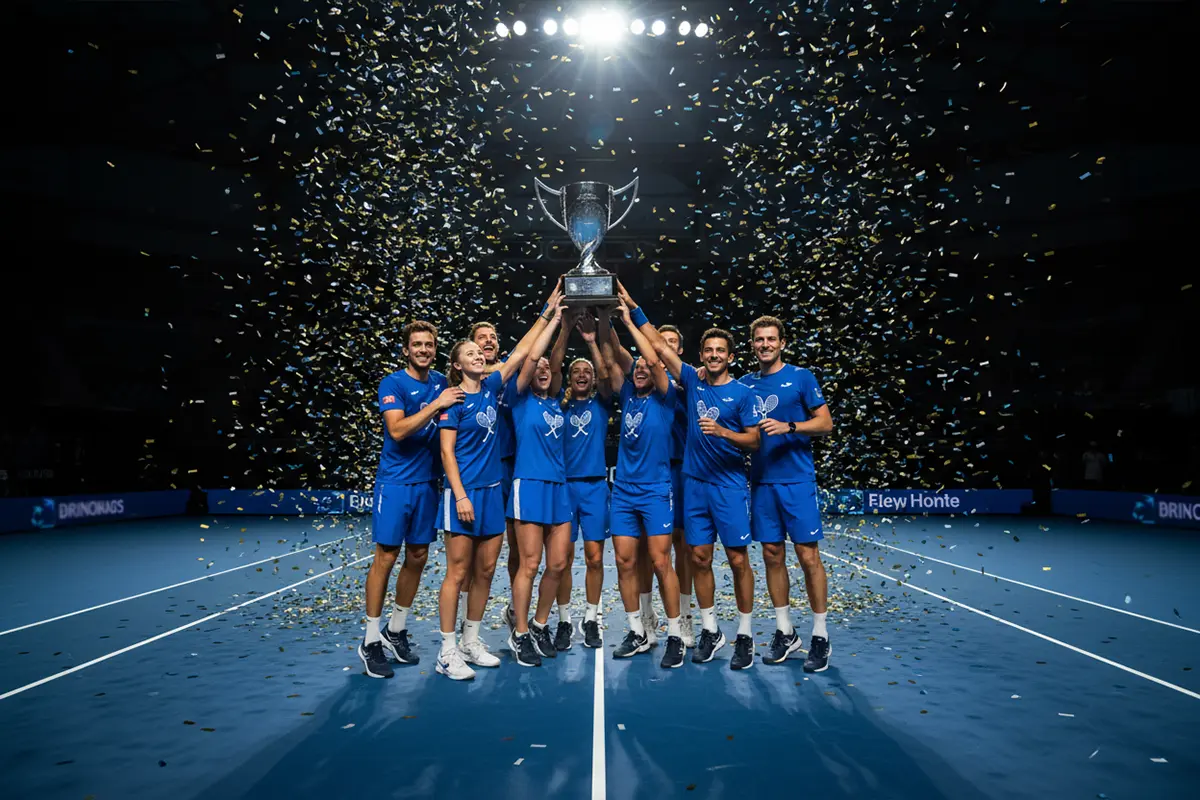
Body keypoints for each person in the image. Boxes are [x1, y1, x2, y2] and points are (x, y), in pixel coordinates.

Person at [434, 284, 564, 680]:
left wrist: (552, 315)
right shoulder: (451, 398)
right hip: (465, 493)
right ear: (458, 365)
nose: (480, 355)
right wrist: (459, 496)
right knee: (458, 572)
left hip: (494, 491)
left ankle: (472, 640)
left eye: (481, 353)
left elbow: (525, 352)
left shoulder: (491, 387)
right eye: (471, 352)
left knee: (487, 571)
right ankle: (446, 650)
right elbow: (446, 453)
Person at [638, 289, 761, 670]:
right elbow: (657, 344)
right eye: (708, 350)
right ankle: (709, 629)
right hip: (694, 485)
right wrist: (629, 304)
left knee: (738, 560)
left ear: (731, 356)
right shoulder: (692, 381)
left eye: (720, 350)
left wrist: (725, 433)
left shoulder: (743, 393)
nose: (713, 355)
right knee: (698, 557)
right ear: (702, 354)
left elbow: (755, 440)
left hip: (728, 485)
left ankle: (744, 634)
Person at [359, 320, 465, 679]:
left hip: (428, 486)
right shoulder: (393, 383)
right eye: (417, 344)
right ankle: (371, 640)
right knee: (386, 557)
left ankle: (396, 629)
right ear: (406, 349)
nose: (423, 349)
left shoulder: (441, 381)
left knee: (417, 556)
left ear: (436, 349)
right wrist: (437, 405)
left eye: (429, 345)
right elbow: (397, 429)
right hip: (396, 484)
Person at [739, 316, 835, 672]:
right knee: (771, 555)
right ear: (752, 345)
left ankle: (820, 636)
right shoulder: (745, 385)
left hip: (797, 482)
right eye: (759, 339)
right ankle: (784, 631)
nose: (765, 344)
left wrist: (790, 426)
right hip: (762, 484)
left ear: (782, 344)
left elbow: (825, 423)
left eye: (771, 339)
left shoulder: (801, 377)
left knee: (808, 558)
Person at [601, 299, 685, 668]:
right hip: (624, 492)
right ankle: (637, 630)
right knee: (623, 561)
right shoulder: (626, 395)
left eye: (645, 367)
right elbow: (617, 353)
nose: (639, 369)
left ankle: (676, 634)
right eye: (634, 367)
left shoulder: (668, 398)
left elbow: (649, 358)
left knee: (660, 561)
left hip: (655, 490)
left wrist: (630, 318)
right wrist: (605, 323)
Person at [505, 300, 577, 666]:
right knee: (529, 564)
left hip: (558, 487)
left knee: (559, 564)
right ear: (530, 373)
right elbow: (533, 357)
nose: (545, 369)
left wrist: (566, 327)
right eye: (540, 367)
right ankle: (519, 634)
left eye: (551, 368)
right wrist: (551, 316)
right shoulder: (517, 399)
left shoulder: (555, 403)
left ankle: (539, 623)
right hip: (529, 485)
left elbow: (556, 359)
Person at [551, 312, 613, 650]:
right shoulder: (557, 407)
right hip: (563, 488)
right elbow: (555, 367)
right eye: (576, 372)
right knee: (559, 560)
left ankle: (591, 617)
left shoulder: (602, 404)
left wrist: (591, 344)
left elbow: (606, 374)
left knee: (593, 557)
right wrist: (563, 331)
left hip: (593, 487)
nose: (582, 375)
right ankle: (563, 620)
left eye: (586, 372)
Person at [657, 324, 695, 648]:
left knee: (683, 545)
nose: (665, 346)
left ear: (678, 351)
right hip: (653, 473)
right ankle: (647, 616)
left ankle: (685, 616)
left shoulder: (688, 386)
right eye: (660, 341)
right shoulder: (643, 382)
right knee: (654, 549)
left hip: (682, 470)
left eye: (671, 342)